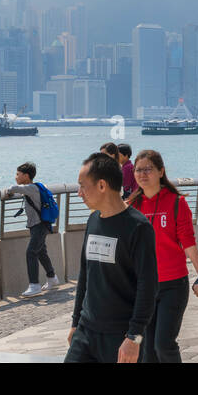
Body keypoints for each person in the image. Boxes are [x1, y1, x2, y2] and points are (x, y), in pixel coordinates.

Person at [65, 152, 158, 363]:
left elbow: (148, 286)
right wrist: (75, 323)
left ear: (101, 186)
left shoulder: (139, 227)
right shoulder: (93, 221)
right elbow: (85, 276)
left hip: (121, 336)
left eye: (82, 186)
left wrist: (134, 336)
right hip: (86, 330)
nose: (79, 193)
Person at [127, 149, 198, 363]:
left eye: (148, 169)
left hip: (173, 285)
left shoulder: (177, 203)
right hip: (143, 288)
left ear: (161, 171)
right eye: (138, 170)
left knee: (163, 345)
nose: (143, 174)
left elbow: (188, 243)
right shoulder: (131, 207)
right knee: (146, 352)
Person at [6, 161, 60, 297]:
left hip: (39, 225)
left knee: (31, 252)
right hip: (40, 224)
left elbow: (13, 188)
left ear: (26, 175)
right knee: (41, 252)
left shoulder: (30, 188)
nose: (16, 177)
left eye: (18, 174)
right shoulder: (37, 187)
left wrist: (8, 191)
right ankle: (52, 278)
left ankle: (34, 285)